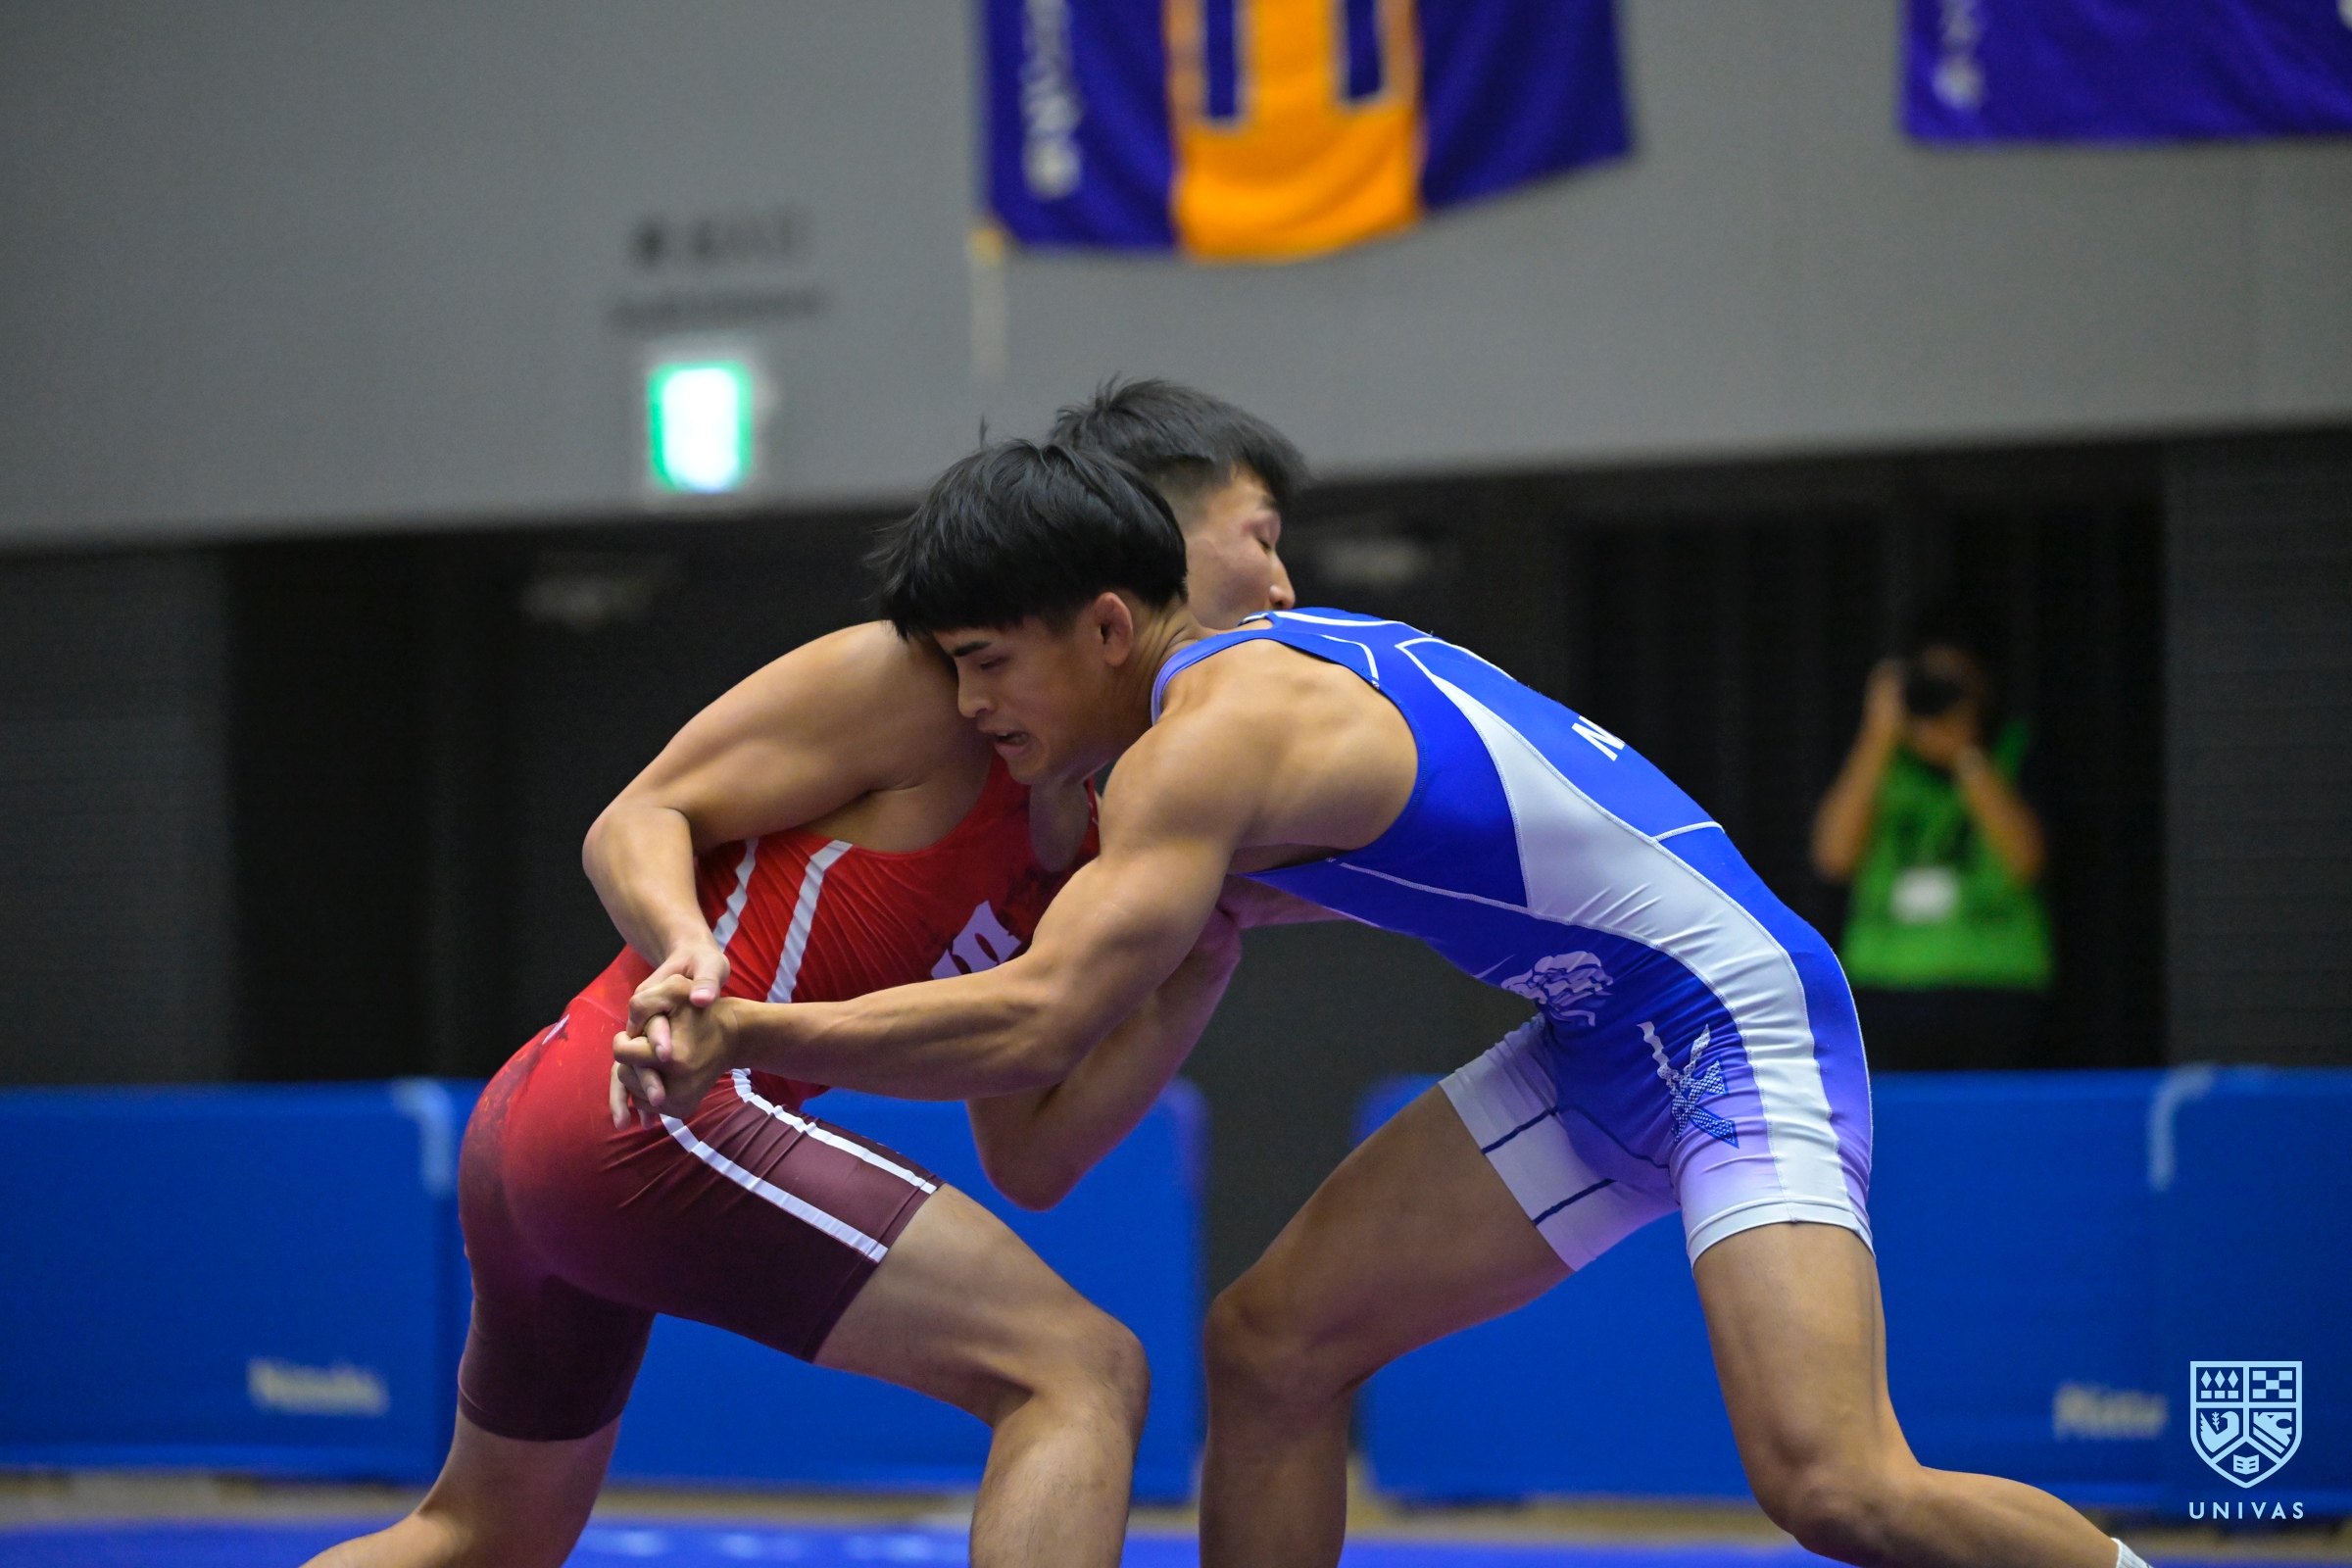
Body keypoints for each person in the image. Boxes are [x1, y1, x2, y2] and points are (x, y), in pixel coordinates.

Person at [613, 439, 2155, 1568]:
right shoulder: (1244, 703)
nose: (968, 708)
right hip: (1598, 1035)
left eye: (987, 665)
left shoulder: (1206, 744)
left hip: (1727, 1018)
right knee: (1269, 1350)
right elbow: (1041, 1137)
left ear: (1110, 620)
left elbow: (1038, 1023)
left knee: (1834, 1482)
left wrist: (750, 1035)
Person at [304, 391, 1303, 1568]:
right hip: (647, 1107)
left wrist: (1202, 963)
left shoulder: (1113, 825)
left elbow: (1032, 1152)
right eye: (1262, 540)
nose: (1284, 591)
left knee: (482, 1535)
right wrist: (686, 944)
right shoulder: (918, 690)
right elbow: (640, 814)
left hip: (576, 1117)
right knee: (1076, 1368)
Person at [1810, 623, 2051, 1070]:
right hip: (1885, 987)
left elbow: (2028, 861)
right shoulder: (1877, 760)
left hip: (1994, 990)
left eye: (1952, 686)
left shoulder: (2014, 750)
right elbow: (1833, 858)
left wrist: (1966, 755)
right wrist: (1878, 734)